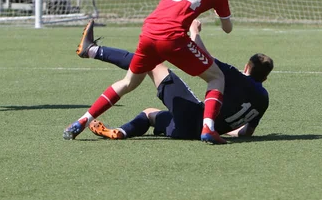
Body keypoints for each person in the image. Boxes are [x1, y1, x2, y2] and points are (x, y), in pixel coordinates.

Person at [64, 0, 233, 144]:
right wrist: (218, 12)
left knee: (128, 83)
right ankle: (208, 128)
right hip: (173, 37)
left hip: (149, 31)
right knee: (216, 77)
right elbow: (227, 28)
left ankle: (82, 120)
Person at [76, 19, 273, 142]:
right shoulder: (263, 100)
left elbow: (205, 57)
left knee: (152, 64)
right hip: (189, 132)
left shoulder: (237, 78)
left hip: (194, 117)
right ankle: (120, 131)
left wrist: (194, 32)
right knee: (149, 114)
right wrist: (224, 129)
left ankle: (93, 50)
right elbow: (246, 132)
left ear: (246, 67)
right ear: (265, 77)